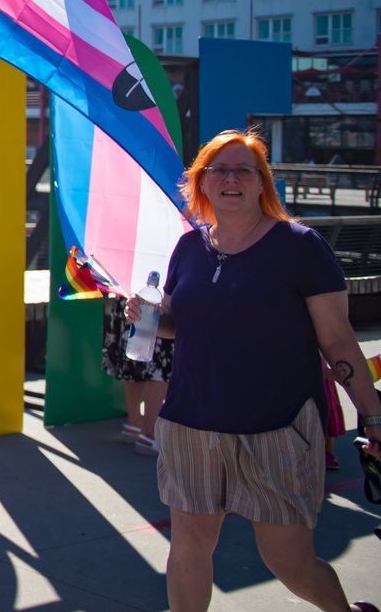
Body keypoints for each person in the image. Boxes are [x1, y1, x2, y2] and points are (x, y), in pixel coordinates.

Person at [127, 129, 381, 612]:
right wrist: (148, 318)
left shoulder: (300, 247)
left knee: (291, 564)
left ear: (262, 183)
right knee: (188, 551)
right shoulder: (189, 248)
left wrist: (373, 417)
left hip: (277, 427)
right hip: (191, 423)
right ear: (201, 183)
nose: (231, 179)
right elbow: (184, 324)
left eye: (244, 169)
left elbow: (338, 340)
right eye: (218, 170)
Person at [102, 288, 173, 456]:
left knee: (135, 361)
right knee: (158, 368)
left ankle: (134, 422)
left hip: (129, 295)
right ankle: (149, 433)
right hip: (153, 302)